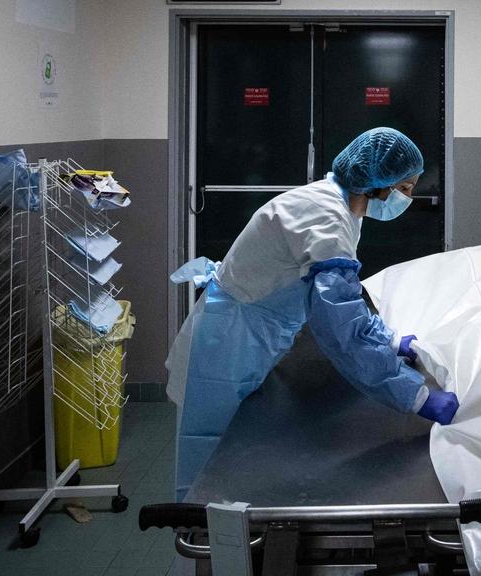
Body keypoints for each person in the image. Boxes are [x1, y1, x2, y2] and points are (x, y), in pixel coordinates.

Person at [165, 127, 460, 500]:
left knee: (229, 455)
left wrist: (388, 341)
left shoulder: (340, 207)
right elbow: (341, 327)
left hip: (250, 328)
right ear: (376, 183)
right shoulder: (327, 218)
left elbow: (343, 299)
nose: (409, 199)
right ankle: (197, 543)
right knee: (206, 461)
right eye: (404, 188)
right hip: (228, 341)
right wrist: (415, 397)